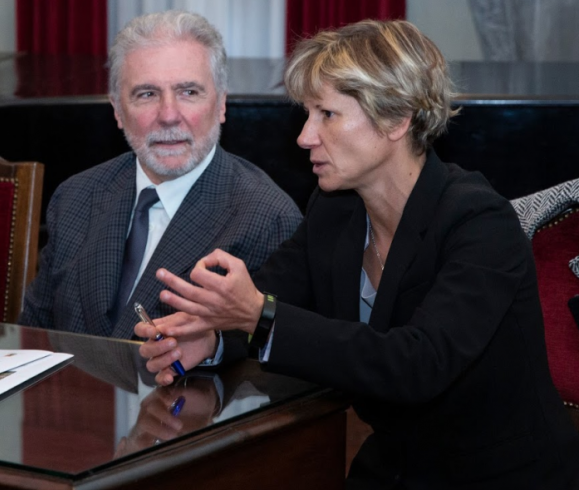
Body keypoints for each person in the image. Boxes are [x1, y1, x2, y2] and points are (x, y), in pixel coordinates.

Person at [137, 19, 579, 488]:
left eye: (326, 114)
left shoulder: (479, 222)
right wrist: (211, 340)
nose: (304, 136)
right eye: (307, 114)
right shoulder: (334, 209)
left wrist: (256, 316)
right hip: (390, 469)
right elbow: (271, 299)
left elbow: (419, 364)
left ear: (396, 119)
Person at [18, 10, 302, 340]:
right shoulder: (76, 196)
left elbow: (267, 364)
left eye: (189, 92)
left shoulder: (268, 219)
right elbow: (33, 333)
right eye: (147, 94)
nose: (168, 116)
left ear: (222, 104)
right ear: (117, 110)